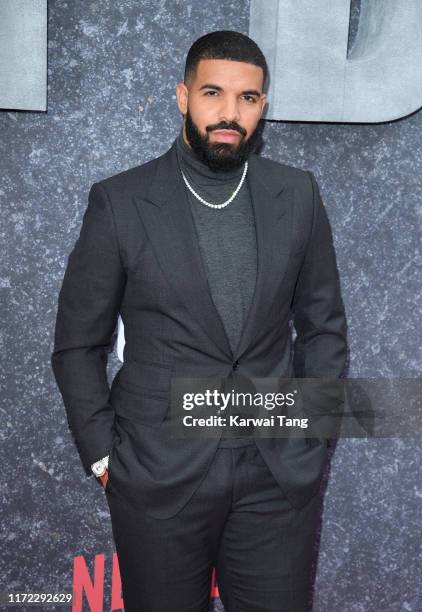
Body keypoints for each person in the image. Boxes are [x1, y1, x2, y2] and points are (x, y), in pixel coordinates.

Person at [51, 30, 347, 612]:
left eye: (248, 98)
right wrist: (106, 459)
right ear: (183, 97)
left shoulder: (299, 194)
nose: (229, 113)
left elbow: (324, 330)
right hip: (157, 476)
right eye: (214, 93)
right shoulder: (121, 200)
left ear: (263, 107)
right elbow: (77, 345)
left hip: (276, 477)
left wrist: (312, 441)